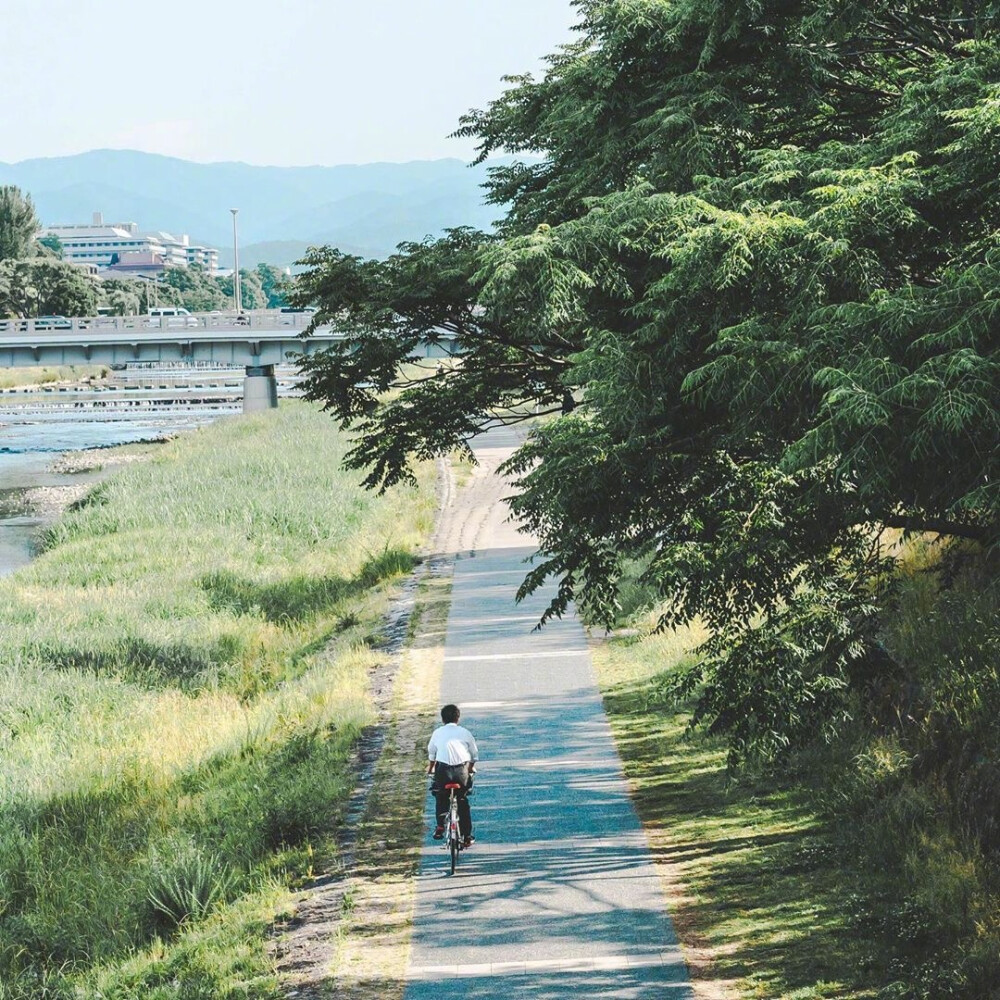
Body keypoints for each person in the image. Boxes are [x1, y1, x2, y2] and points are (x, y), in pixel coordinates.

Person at [427, 704, 479, 846]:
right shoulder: (465, 732)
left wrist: (431, 768)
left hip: (443, 772)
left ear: (442, 719)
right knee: (462, 799)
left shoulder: (437, 733)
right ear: (458, 718)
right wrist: (470, 769)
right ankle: (467, 835)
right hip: (461, 773)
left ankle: (440, 825)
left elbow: (432, 754)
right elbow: (474, 755)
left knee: (440, 794)